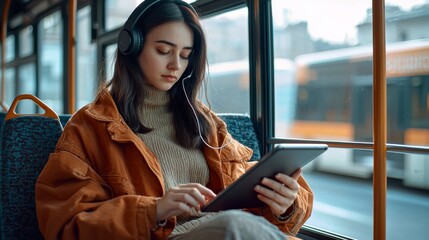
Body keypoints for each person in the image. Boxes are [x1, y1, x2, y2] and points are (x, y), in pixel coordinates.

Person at [35, 0, 313, 239]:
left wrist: (285, 204)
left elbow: (242, 194)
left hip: (224, 231)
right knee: (235, 226)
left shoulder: (205, 123)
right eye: (163, 51)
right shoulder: (89, 126)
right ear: (131, 46)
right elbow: (66, 225)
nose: (175, 66)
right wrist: (154, 209)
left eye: (185, 55)